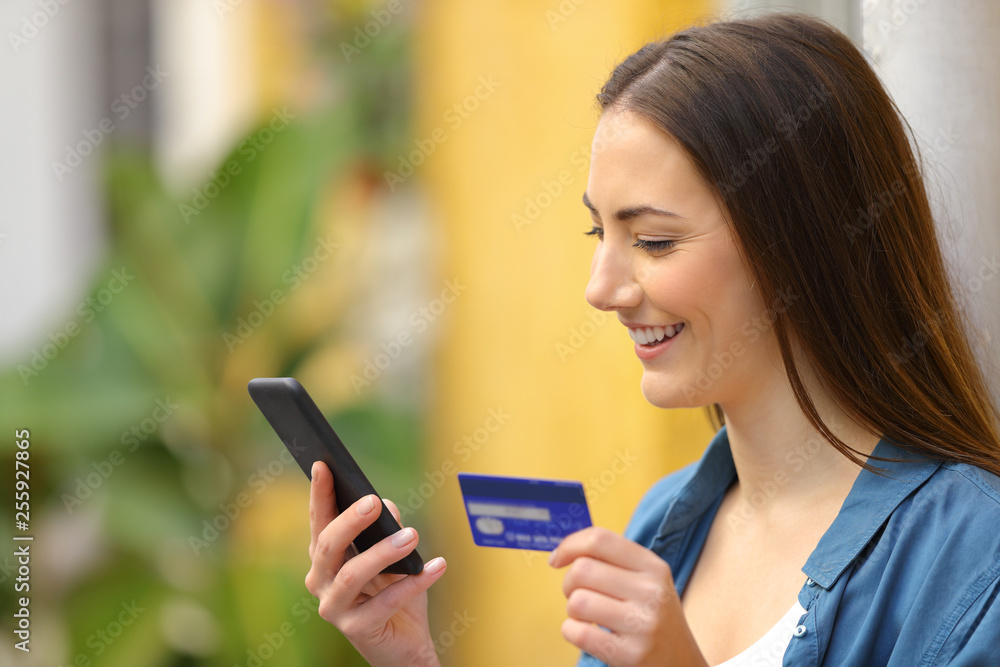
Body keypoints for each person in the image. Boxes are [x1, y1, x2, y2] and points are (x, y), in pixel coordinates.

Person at [303, 12, 1000, 667]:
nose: (601, 288)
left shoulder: (973, 551)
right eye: (598, 233)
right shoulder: (663, 523)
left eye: (654, 241)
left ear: (802, 243)